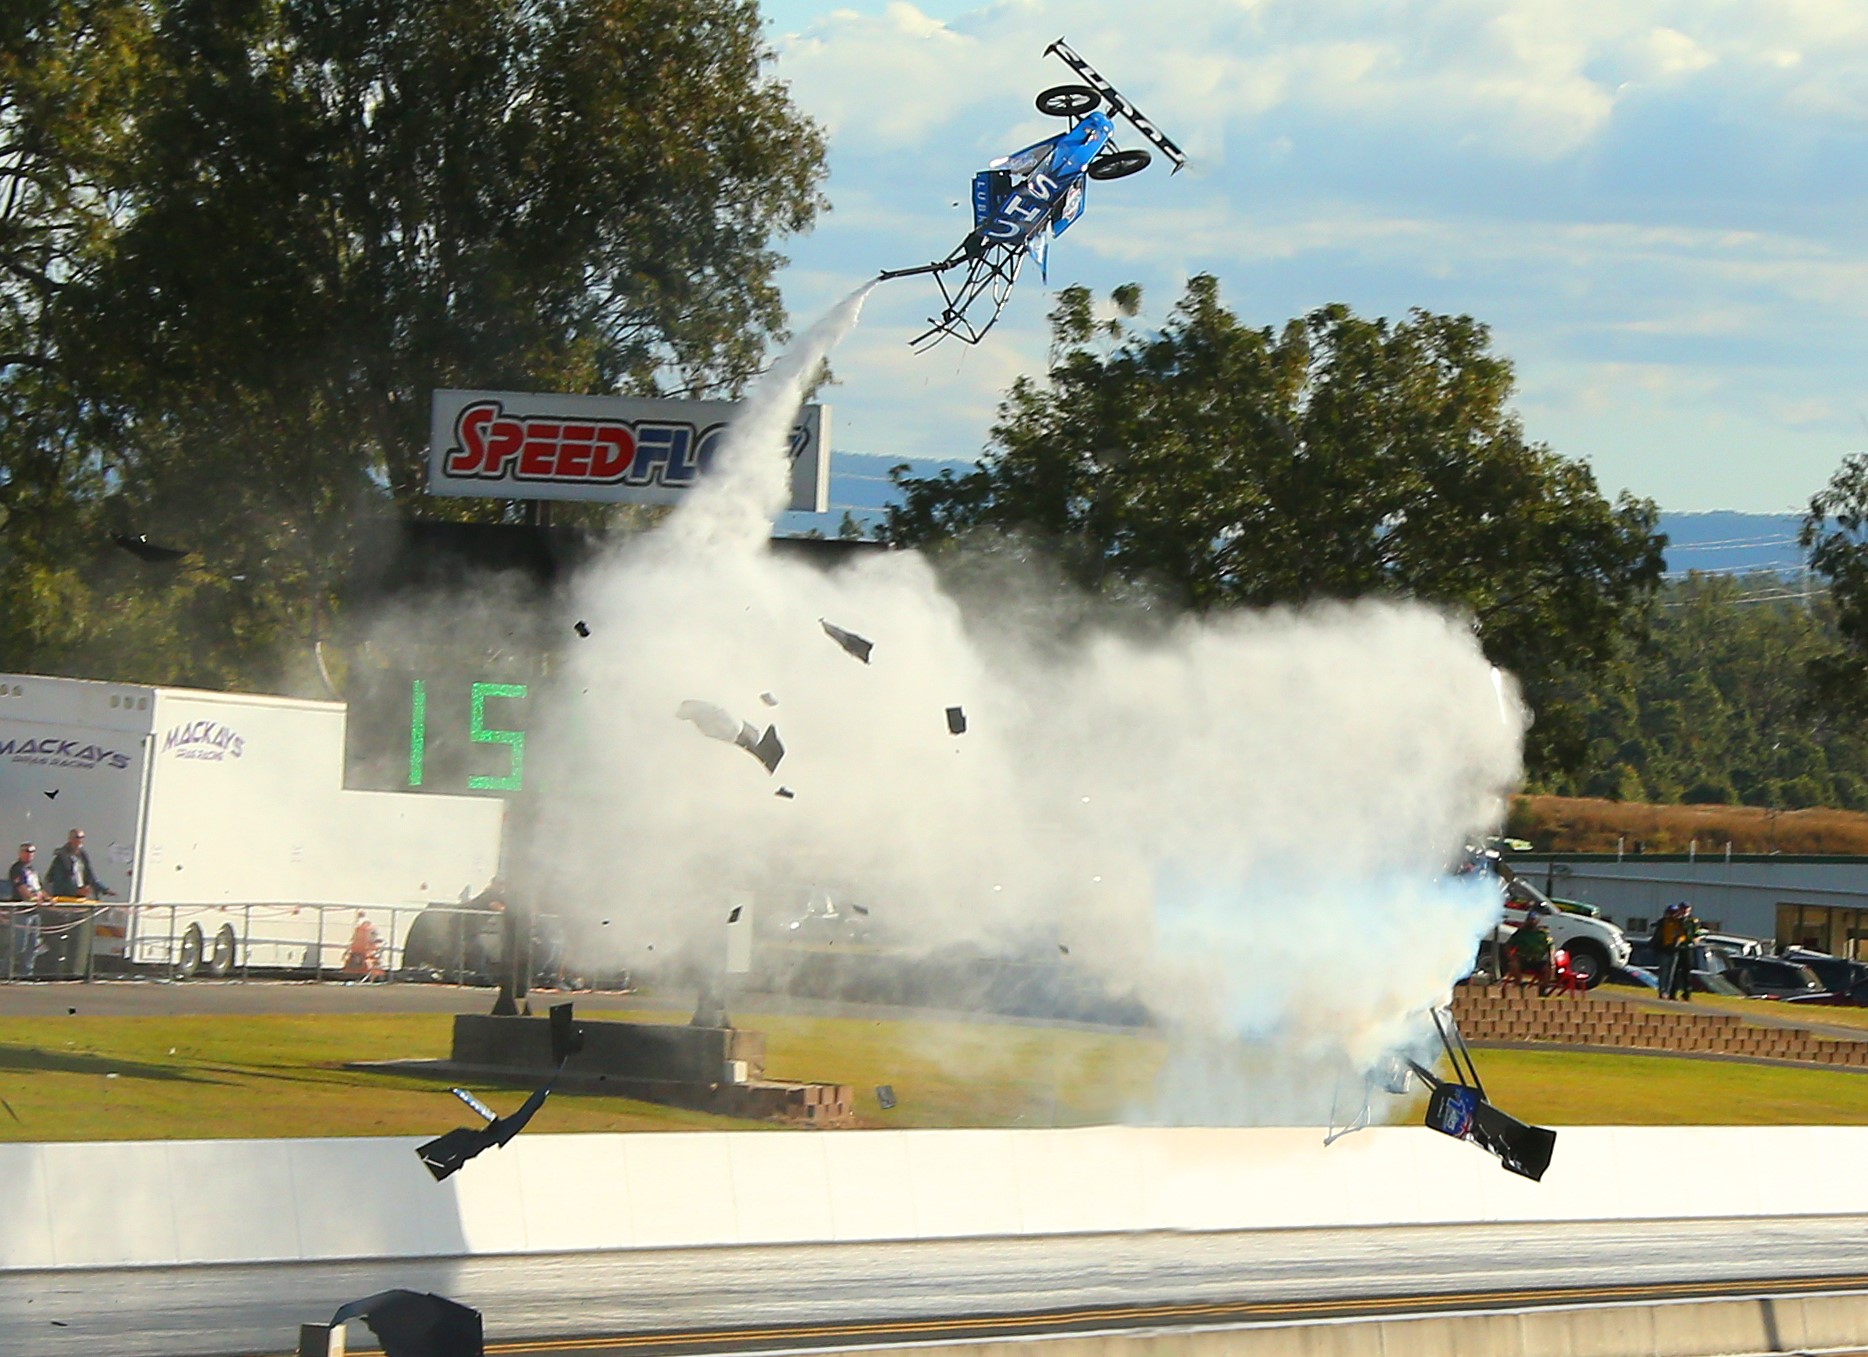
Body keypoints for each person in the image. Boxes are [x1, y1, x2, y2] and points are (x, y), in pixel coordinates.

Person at [43, 828, 112, 978]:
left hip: (80, 903)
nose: (80, 840)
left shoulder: (82, 855)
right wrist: (76, 891)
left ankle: (76, 970)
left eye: (82, 837)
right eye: (77, 837)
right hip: (66, 901)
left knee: (79, 939)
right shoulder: (61, 858)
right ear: (70, 839)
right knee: (63, 938)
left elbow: (90, 876)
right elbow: (57, 882)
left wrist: (104, 889)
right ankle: (59, 971)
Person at [7, 843, 47, 978]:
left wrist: (48, 899)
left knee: (32, 944)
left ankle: (27, 973)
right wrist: (32, 899)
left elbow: (39, 888)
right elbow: (22, 888)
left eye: (32, 852)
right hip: (22, 911)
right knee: (19, 945)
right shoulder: (17, 869)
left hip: (34, 912)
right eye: (27, 851)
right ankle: (5, 970)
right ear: (21, 853)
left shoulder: (32, 870)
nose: (29, 854)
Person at [1653, 902, 1695, 1001]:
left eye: (1675, 912)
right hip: (1664, 949)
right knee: (1664, 971)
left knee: (1672, 973)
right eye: (1671, 912)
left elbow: (1686, 934)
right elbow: (1658, 935)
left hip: (1674, 950)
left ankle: (1667, 992)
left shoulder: (1681, 922)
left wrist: (1680, 940)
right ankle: (1662, 991)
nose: (1673, 914)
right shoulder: (1664, 922)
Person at [1506, 906, 1554, 990]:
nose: (1532, 922)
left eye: (1534, 920)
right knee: (1513, 964)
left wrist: (1550, 959)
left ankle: (1542, 989)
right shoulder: (1520, 933)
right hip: (1523, 959)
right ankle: (1519, 984)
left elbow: (1549, 946)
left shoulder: (1542, 934)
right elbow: (1508, 944)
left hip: (1537, 960)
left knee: (1548, 968)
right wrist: (1510, 956)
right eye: (1530, 919)